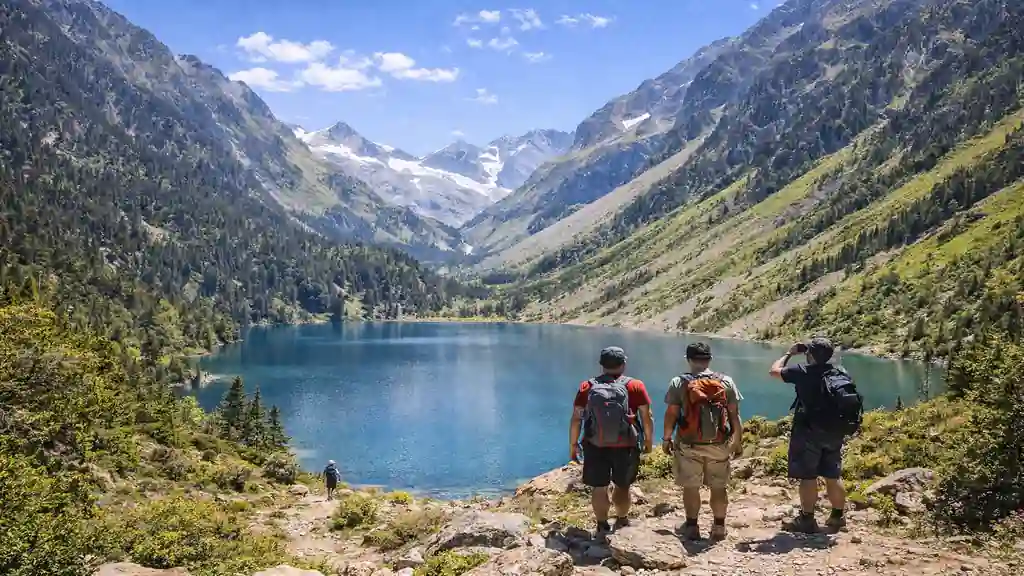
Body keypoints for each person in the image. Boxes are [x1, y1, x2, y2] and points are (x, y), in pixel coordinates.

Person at [769, 337, 863, 533]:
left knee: (808, 476)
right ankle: (837, 517)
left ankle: (807, 520)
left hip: (808, 432)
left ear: (809, 355)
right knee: (832, 474)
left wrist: (789, 353)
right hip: (834, 432)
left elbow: (774, 371)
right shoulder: (840, 373)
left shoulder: (803, 372)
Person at [662, 342, 743, 541]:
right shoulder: (726, 382)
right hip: (719, 443)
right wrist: (737, 440)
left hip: (689, 444)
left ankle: (691, 527)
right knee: (718, 486)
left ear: (688, 360)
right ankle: (719, 527)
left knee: (691, 486)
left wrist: (666, 438)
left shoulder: (678, 382)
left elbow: (672, 413)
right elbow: (734, 414)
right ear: (709, 360)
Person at [570, 346, 654, 534]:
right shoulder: (635, 386)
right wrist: (648, 440)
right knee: (622, 486)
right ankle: (622, 520)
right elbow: (646, 416)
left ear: (601, 365)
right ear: (623, 364)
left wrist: (573, 445)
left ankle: (601, 525)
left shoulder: (587, 387)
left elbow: (576, 418)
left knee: (599, 487)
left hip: (595, 444)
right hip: (627, 444)